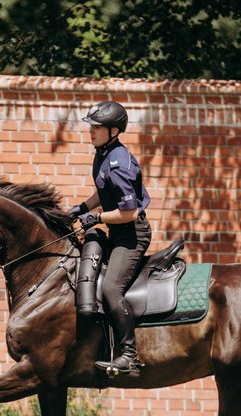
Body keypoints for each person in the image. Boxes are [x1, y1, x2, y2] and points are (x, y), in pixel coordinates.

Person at [69, 101, 152, 376]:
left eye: (97, 127)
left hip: (132, 235)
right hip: (117, 230)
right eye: (91, 126)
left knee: (111, 288)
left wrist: (97, 218)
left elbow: (129, 212)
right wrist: (81, 208)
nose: (91, 131)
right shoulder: (103, 153)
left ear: (114, 131)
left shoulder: (119, 164)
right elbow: (103, 192)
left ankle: (129, 356)